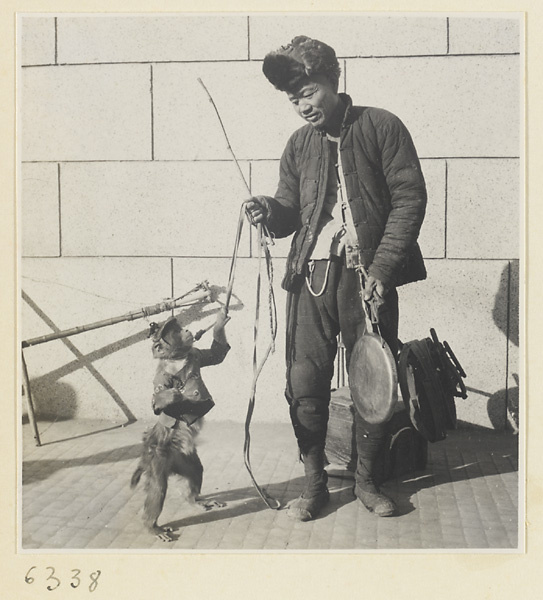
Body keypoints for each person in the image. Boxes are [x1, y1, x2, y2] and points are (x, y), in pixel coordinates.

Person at [245, 36, 427, 521]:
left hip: (367, 279)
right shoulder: (298, 145)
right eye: (292, 99)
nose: (302, 106)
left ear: (333, 79)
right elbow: (290, 212)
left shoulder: (381, 126)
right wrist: (268, 210)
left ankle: (368, 482)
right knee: (304, 380)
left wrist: (384, 269)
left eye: (308, 93)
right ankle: (314, 483)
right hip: (312, 278)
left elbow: (410, 200)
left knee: (373, 382)